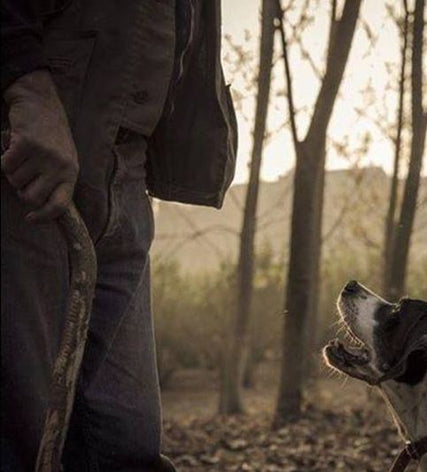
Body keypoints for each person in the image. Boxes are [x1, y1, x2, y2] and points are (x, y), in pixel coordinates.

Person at [1, 1, 237, 470]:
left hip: (126, 167)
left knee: (124, 445)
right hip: (32, 150)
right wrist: (26, 87)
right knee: (19, 439)